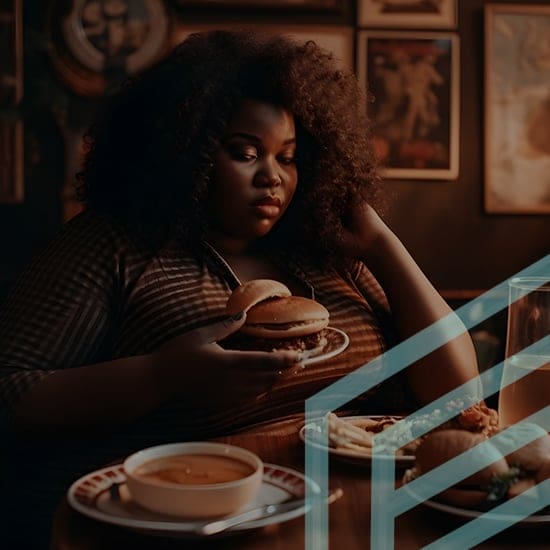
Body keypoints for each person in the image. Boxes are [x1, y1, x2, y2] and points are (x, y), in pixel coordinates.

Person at [0, 30, 479, 546]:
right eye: (245, 151)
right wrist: (162, 376)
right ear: (186, 153)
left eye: (289, 157)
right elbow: (10, 393)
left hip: (372, 520)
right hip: (207, 525)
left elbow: (460, 397)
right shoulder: (115, 245)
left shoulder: (329, 253)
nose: (272, 177)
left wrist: (382, 244)